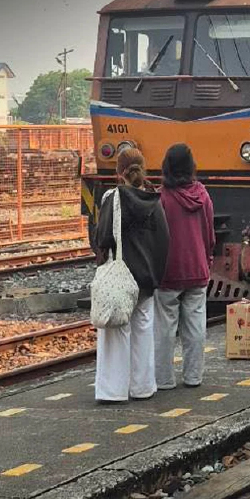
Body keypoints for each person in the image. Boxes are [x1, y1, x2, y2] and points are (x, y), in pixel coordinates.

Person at [94, 147, 169, 404]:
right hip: (146, 277)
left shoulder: (112, 199)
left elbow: (102, 238)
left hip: (121, 276)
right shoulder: (153, 199)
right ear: (143, 168)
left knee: (116, 331)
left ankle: (113, 390)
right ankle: (143, 386)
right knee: (144, 329)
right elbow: (164, 240)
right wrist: (154, 271)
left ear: (118, 172)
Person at [155, 144, 214, 387]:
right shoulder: (203, 195)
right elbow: (210, 234)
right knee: (196, 327)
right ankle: (193, 376)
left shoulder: (162, 198)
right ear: (191, 167)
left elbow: (157, 236)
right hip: (198, 269)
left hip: (169, 272)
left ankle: (164, 379)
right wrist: (207, 258)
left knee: (165, 329)